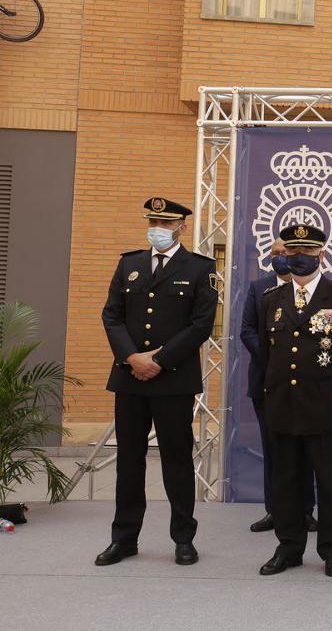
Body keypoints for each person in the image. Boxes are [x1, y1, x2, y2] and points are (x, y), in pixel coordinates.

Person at [95, 197, 218, 568]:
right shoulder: (129, 263)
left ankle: (183, 539)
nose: (158, 229)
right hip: (129, 377)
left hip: (173, 380)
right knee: (128, 462)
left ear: (180, 226)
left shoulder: (200, 268)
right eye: (153, 222)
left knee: (176, 460)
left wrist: (158, 361)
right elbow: (112, 315)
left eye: (165, 224)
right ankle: (124, 538)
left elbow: (201, 324)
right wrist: (133, 358)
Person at [257, 224, 332, 578]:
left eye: (306, 253)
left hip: (326, 404)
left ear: (321, 254)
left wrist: (327, 382)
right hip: (283, 403)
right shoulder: (271, 300)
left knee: (330, 480)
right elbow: (266, 350)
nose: (298, 259)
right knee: (286, 479)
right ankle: (288, 547)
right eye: (292, 253)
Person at [239, 238, 318, 535]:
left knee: (306, 450)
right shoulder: (258, 289)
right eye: (274, 254)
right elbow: (247, 329)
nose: (280, 258)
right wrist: (273, 358)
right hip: (267, 382)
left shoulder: (314, 290)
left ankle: (306, 511)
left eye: (285, 253)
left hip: (306, 387)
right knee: (273, 450)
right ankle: (275, 509)